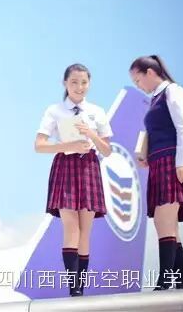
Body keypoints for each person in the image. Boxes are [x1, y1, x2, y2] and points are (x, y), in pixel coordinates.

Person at [34, 63, 113, 296]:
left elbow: (107, 150)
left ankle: (80, 287)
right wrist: (69, 145)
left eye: (84, 82)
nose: (80, 87)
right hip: (66, 165)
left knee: (85, 230)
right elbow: (39, 145)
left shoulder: (97, 111)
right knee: (71, 227)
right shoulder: (55, 110)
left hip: (89, 167)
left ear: (90, 83)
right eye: (74, 82)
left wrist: (91, 134)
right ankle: (74, 288)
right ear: (65, 83)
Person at [129, 55, 183, 290]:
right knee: (169, 225)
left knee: (164, 221)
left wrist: (181, 163)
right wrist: (147, 155)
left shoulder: (173, 91)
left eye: (138, 80)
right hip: (159, 161)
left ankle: (164, 282)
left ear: (150, 72)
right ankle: (181, 283)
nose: (138, 86)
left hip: (171, 161)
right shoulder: (155, 97)